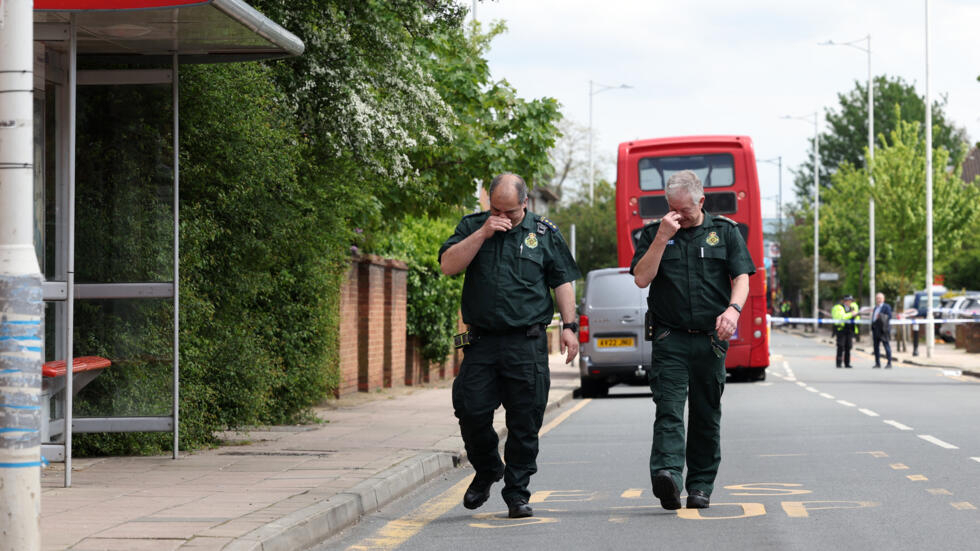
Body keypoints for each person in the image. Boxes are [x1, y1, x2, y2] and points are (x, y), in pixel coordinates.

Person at [439, 173, 581, 519]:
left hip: (526, 342)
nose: (503, 217)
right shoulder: (474, 226)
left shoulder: (544, 233)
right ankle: (488, 468)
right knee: (470, 409)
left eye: (511, 212)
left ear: (525, 204)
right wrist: (483, 232)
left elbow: (562, 279)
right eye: (496, 209)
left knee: (525, 420)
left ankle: (517, 492)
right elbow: (448, 265)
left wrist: (569, 326)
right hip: (483, 342)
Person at [630, 170, 754, 511]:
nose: (678, 216)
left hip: (711, 339)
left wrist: (733, 310)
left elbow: (742, 277)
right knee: (668, 409)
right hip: (670, 336)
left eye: (684, 210)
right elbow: (642, 278)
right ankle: (668, 476)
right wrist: (661, 238)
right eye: (672, 208)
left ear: (701, 201)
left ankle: (700, 485)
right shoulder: (655, 233)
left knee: (705, 412)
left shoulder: (725, 232)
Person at [831, 295, 858, 368]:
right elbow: (842, 317)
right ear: (844, 301)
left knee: (848, 347)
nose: (850, 302)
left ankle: (847, 363)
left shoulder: (852, 308)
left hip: (849, 330)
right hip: (841, 330)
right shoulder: (839, 307)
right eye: (848, 301)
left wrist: (856, 315)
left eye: (851, 301)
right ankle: (839, 363)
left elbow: (856, 319)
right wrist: (851, 314)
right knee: (840, 346)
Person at [871, 292, 893, 368]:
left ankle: (889, 363)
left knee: (886, 346)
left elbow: (889, 316)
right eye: (877, 298)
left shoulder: (886, 307)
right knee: (876, 347)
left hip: (883, 330)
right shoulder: (875, 308)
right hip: (876, 330)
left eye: (880, 298)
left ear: (883, 299)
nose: (878, 300)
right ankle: (877, 363)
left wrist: (879, 316)